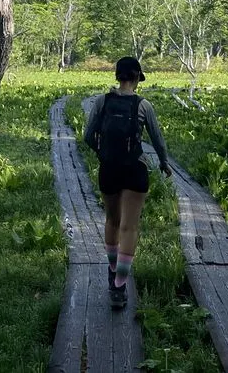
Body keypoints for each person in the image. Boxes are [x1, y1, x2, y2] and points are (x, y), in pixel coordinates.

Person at [83, 56, 172, 310]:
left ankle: (113, 270)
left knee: (112, 221)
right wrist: (164, 163)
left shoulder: (102, 101)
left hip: (108, 169)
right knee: (129, 227)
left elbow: (88, 135)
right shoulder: (144, 105)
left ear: (118, 76)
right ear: (136, 78)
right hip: (135, 169)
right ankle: (119, 287)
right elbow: (158, 140)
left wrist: (103, 154)